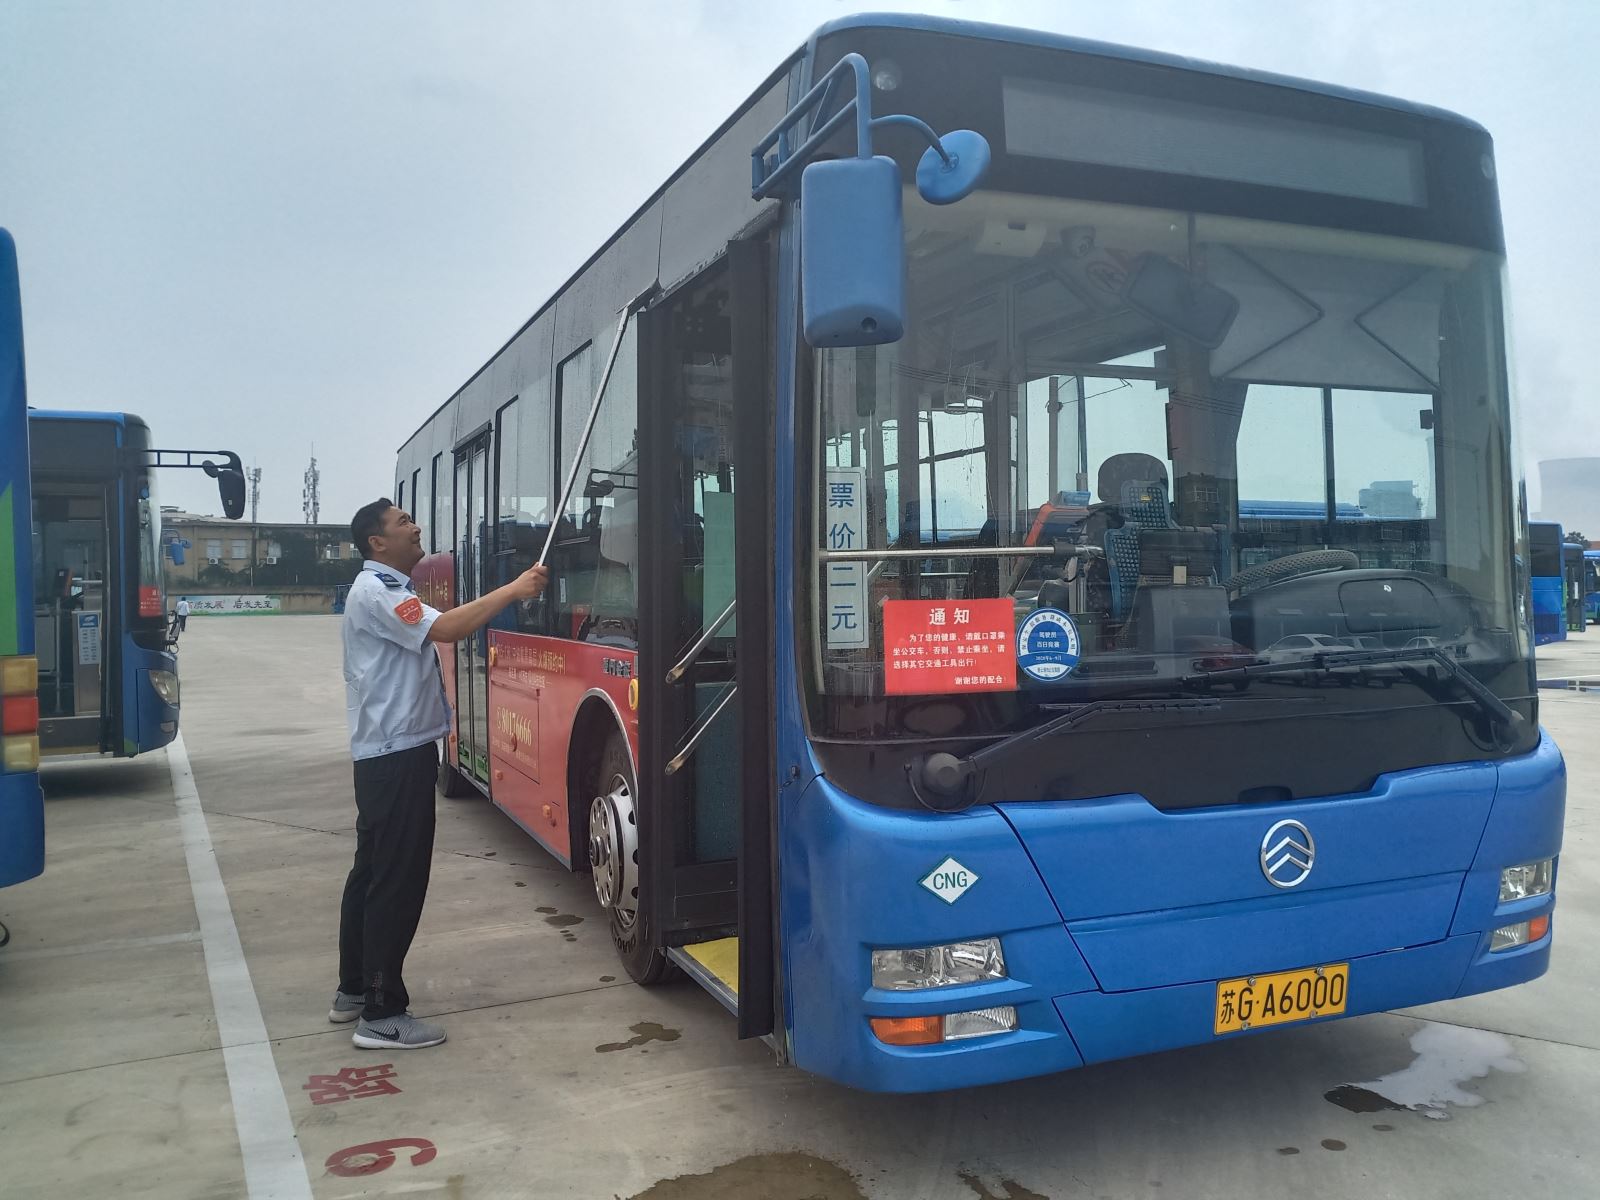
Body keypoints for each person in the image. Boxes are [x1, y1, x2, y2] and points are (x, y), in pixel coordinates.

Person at [333, 497, 548, 1049]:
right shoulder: (380, 593)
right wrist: (515, 589)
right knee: (396, 882)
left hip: (386, 754)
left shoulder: (385, 591)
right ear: (376, 543)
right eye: (402, 522)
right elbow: (448, 628)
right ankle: (382, 1013)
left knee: (371, 873)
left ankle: (354, 989)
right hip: (396, 756)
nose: (415, 527)